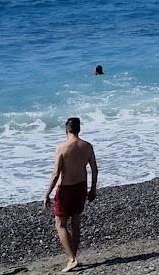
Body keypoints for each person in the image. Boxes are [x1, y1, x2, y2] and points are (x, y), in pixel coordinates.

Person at [44, 117, 98, 274]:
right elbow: (95, 170)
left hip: (66, 189)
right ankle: (73, 256)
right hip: (81, 188)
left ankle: (72, 259)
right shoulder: (87, 146)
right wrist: (93, 189)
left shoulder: (62, 148)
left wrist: (47, 193)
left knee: (60, 224)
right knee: (75, 222)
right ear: (79, 129)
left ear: (66, 130)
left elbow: (56, 174)